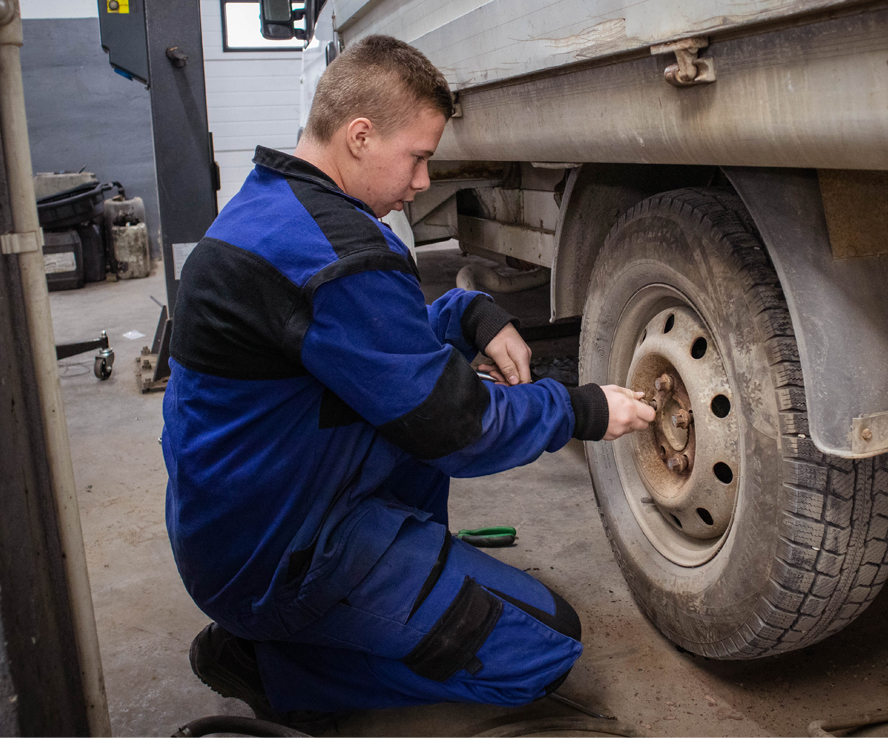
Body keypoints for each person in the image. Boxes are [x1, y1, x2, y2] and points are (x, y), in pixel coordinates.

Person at [162, 35, 654, 728]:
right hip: (284, 555)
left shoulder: (283, 209)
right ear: (360, 136)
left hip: (247, 524)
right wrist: (579, 409)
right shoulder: (332, 255)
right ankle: (266, 663)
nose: (423, 181)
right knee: (543, 649)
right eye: (418, 157)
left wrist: (474, 314)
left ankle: (346, 608)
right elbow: (455, 429)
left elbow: (375, 338)